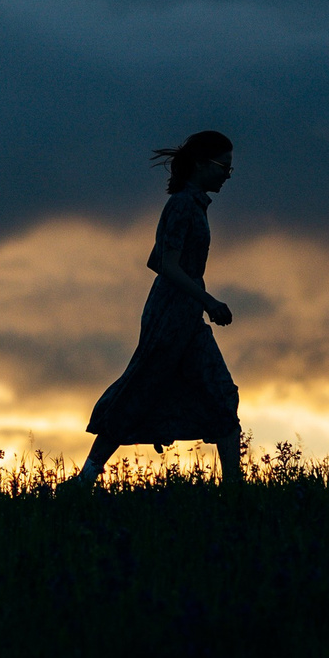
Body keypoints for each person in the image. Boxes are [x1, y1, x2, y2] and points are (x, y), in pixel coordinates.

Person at [68, 130, 243, 492]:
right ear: (200, 165)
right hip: (171, 316)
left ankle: (235, 488)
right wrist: (208, 300)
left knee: (219, 393)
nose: (227, 174)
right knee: (141, 389)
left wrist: (198, 300)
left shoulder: (192, 206)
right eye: (222, 166)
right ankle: (83, 481)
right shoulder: (181, 206)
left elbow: (156, 259)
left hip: (184, 314)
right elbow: (166, 264)